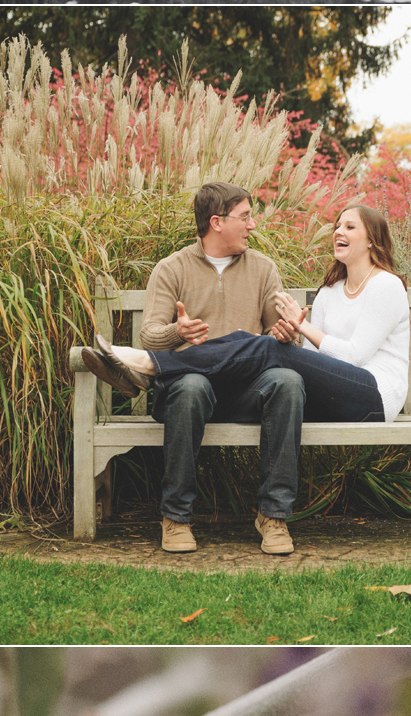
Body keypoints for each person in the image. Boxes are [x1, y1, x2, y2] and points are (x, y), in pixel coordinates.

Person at [81, 203, 411, 484]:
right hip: (332, 396)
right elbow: (312, 364)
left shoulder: (386, 286)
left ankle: (149, 366)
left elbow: (354, 357)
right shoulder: (328, 293)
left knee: (264, 348)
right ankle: (152, 366)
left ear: (372, 240)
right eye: (337, 225)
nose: (338, 231)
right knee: (266, 350)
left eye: (350, 227)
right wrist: (287, 340)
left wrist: (302, 326)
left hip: (374, 399)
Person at [76, 178, 305, 559]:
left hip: (245, 392)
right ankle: (176, 518)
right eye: (245, 217)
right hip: (189, 394)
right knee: (194, 384)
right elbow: (151, 332)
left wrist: (285, 333)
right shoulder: (172, 268)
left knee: (288, 380)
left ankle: (273, 516)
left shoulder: (263, 269)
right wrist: (176, 331)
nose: (252, 225)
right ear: (217, 222)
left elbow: (275, 340)